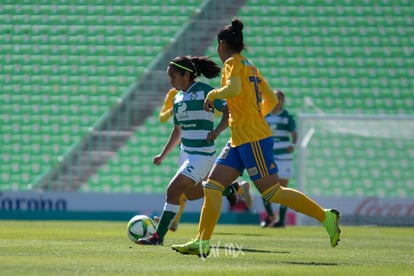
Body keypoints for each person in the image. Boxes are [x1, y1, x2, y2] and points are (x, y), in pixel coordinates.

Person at [171, 18, 341, 257]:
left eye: (218, 46)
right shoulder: (250, 65)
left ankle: (326, 217)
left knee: (272, 192)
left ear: (222, 45)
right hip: (239, 138)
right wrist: (251, 115)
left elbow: (233, 90)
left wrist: (212, 95)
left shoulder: (232, 63)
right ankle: (202, 241)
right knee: (212, 185)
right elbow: (270, 99)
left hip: (253, 138)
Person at [137, 55, 237, 245]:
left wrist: (217, 131)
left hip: (202, 155)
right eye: (169, 77)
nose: (171, 81)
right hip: (186, 153)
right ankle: (227, 190)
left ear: (186, 75)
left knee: (172, 191)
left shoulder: (205, 92)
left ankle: (158, 237)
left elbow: (228, 111)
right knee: (190, 194)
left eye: (173, 76)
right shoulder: (178, 98)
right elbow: (177, 130)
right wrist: (163, 155)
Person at [260, 90, 297, 228]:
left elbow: (294, 133)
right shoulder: (264, 115)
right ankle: (270, 217)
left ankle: (281, 221)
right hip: (268, 154)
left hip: (284, 156)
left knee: (282, 188)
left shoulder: (287, 116)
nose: (277, 100)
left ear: (283, 101)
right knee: (266, 187)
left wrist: (293, 144)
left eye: (279, 98)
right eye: (274, 98)